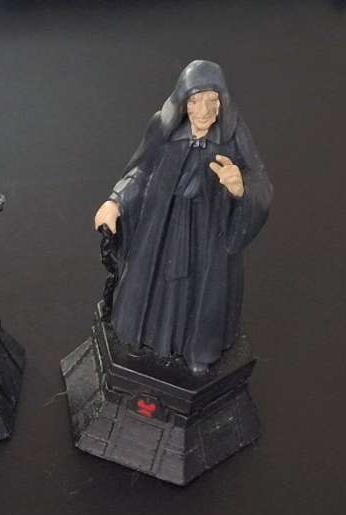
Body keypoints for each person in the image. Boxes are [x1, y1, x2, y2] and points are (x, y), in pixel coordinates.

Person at [93, 60, 272, 374]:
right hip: (161, 229)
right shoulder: (162, 130)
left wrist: (240, 187)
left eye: (212, 100)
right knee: (149, 283)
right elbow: (141, 172)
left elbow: (259, 181)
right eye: (194, 100)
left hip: (209, 233)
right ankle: (141, 337)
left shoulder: (233, 136)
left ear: (222, 102)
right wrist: (115, 201)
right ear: (182, 103)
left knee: (203, 292)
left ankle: (198, 350)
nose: (204, 110)